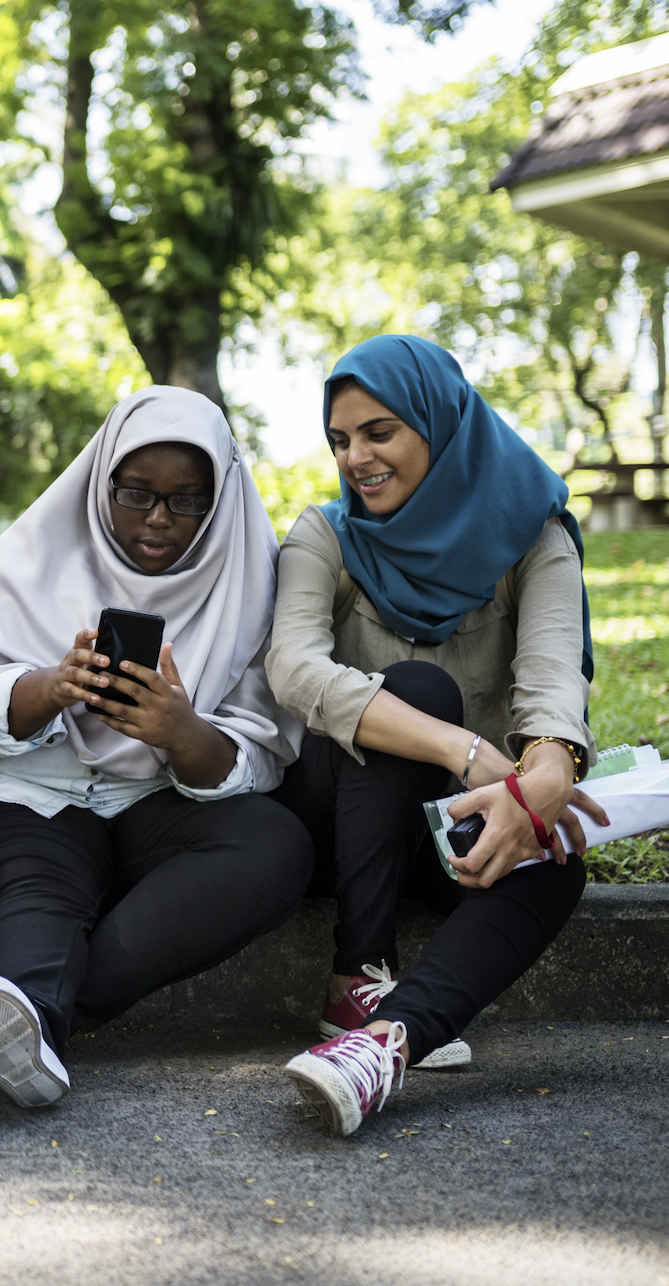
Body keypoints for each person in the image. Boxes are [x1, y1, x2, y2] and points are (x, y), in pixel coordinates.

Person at [0, 385, 310, 1110]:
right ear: (102, 477)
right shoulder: (34, 550)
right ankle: (27, 1023)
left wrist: (180, 731)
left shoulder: (252, 580)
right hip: (26, 792)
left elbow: (259, 752)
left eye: (187, 499)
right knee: (37, 891)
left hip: (160, 798)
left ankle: (25, 1018)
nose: (158, 520)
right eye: (136, 493)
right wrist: (51, 687)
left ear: (221, 496)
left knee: (275, 847)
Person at [267, 334, 606, 1137]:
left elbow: (554, 683)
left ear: (439, 423)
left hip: (448, 827)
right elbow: (293, 669)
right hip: (336, 818)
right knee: (415, 692)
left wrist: (546, 769)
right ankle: (358, 972)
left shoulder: (533, 537)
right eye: (341, 439)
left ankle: (387, 1042)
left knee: (557, 860)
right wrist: (463, 749)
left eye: (379, 432)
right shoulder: (326, 534)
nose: (356, 458)